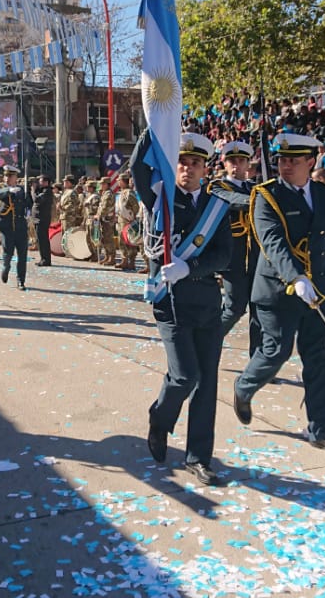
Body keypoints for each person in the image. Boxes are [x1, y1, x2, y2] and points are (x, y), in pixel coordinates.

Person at [233, 133, 325, 459]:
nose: (285, 165)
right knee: (276, 352)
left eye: (294, 160)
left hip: (319, 292)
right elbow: (273, 244)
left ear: (311, 162)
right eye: (282, 160)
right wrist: (296, 278)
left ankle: (321, 428)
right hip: (279, 290)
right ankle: (244, 387)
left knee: (318, 358)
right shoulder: (266, 196)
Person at [130, 131, 231, 485]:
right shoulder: (160, 197)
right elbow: (136, 170)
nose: (188, 168)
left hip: (206, 302)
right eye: (182, 162)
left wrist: (192, 267)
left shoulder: (217, 206)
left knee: (207, 384)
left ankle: (199, 458)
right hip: (170, 303)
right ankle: (159, 419)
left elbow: (224, 254)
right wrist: (155, 126)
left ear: (206, 168)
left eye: (195, 163)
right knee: (186, 375)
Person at [210, 140, 259, 349]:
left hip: (257, 258)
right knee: (235, 307)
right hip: (232, 257)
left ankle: (258, 363)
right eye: (232, 161)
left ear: (248, 164)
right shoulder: (217, 186)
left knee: (259, 312)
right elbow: (232, 200)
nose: (236, 165)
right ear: (224, 163)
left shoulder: (255, 188)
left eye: (241, 161)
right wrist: (263, 200)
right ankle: (208, 343)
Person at [0, 165, 31, 290]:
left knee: (22, 255)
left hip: (20, 227)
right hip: (7, 227)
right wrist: (9, 191)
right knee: (8, 252)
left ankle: (21, 281)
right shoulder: (0, 188)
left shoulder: (22, 189)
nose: (8, 178)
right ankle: (6, 267)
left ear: (16, 177)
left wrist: (28, 209)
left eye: (11, 176)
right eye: (6, 176)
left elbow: (28, 201)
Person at [115, 173, 143, 272]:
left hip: (128, 221)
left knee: (130, 241)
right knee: (122, 241)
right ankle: (124, 260)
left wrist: (132, 216)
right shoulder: (121, 193)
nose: (118, 182)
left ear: (123, 181)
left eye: (119, 180)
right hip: (121, 220)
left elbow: (135, 206)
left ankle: (131, 262)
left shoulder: (129, 193)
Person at [33, 175, 55, 266]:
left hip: (42, 219)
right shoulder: (42, 191)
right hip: (38, 219)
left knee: (43, 240)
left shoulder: (47, 191)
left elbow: (37, 199)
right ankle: (43, 258)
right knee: (40, 240)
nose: (39, 183)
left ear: (46, 182)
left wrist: (33, 190)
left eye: (41, 181)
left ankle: (46, 260)